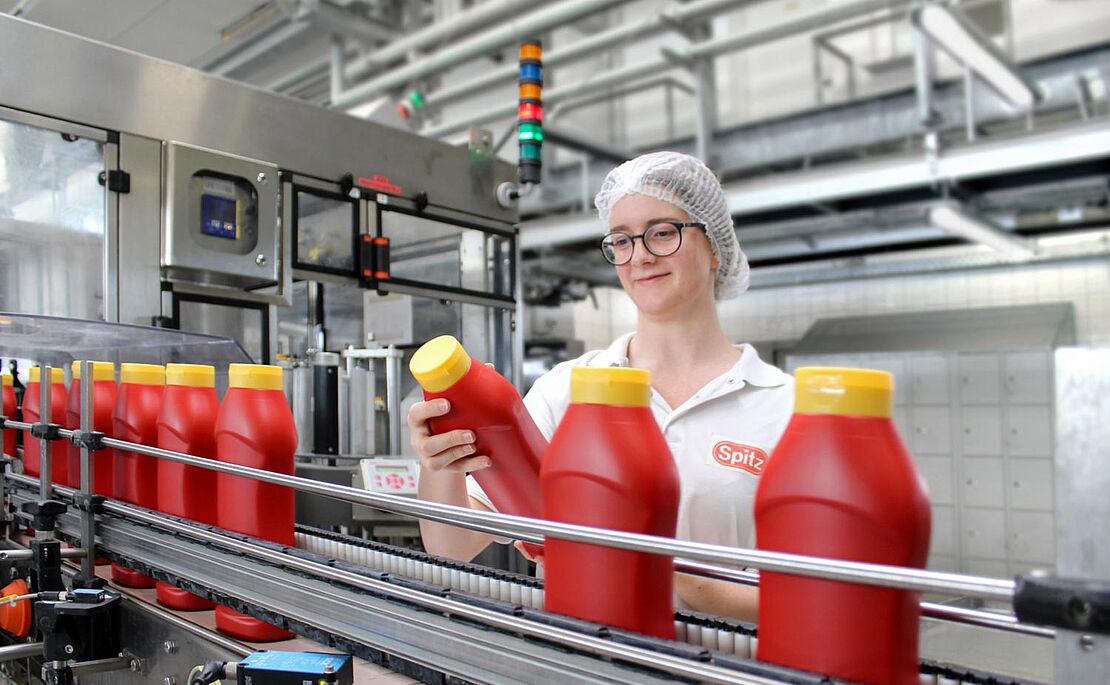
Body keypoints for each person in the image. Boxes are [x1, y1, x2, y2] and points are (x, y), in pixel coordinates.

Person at [409, 151, 794, 624]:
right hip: (583, 661)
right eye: (622, 240)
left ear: (715, 246)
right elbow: (451, 546)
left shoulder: (784, 406)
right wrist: (441, 465)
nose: (641, 256)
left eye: (663, 232)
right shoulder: (568, 388)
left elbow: (817, 601)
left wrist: (625, 557)